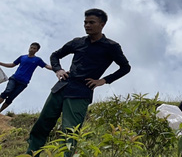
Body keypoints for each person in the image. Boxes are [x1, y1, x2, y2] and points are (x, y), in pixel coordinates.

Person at [26, 9, 131, 156]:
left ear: (102, 24)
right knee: (41, 125)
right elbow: (55, 55)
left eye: (91, 22)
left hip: (81, 92)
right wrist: (58, 70)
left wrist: (103, 81)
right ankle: (30, 153)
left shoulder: (111, 46)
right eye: (85, 22)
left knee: (70, 132)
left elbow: (125, 67)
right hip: (61, 87)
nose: (87, 25)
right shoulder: (78, 42)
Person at [0, 42, 53, 113]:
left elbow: (46, 66)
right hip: (14, 78)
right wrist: (1, 63)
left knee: (11, 98)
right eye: (31, 47)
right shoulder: (22, 57)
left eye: (34, 48)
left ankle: (0, 111)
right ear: (29, 47)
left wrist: (56, 68)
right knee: (7, 91)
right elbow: (12, 64)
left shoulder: (37, 60)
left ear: (37, 51)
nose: (32, 49)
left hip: (23, 83)